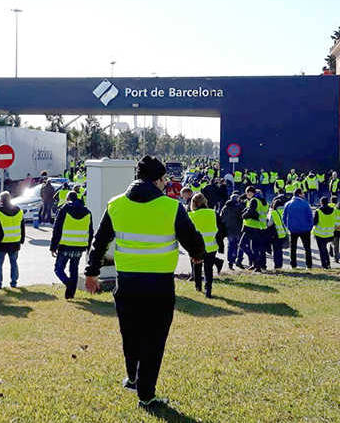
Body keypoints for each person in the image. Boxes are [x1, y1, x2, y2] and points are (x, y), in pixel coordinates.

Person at [84, 156, 206, 410]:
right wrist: (197, 254)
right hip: (159, 285)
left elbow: (99, 241)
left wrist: (91, 272)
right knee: (154, 339)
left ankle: (132, 378)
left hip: (126, 282)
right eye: (164, 180)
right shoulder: (172, 207)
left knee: (130, 334)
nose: (166, 184)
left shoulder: (115, 205)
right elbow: (192, 239)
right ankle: (146, 395)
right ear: (158, 179)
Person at [50, 191, 93, 299]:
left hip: (65, 245)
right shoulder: (87, 212)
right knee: (74, 270)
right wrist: (88, 247)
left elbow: (57, 229)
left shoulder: (64, 209)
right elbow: (90, 231)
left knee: (58, 269)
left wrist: (53, 246)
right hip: (79, 246)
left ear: (68, 199)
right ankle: (70, 294)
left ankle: (68, 283)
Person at [188, 193, 226, 297]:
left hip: (196, 247)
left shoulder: (191, 215)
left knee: (197, 266)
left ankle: (198, 286)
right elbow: (221, 229)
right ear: (205, 201)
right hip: (211, 246)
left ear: (194, 204)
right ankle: (208, 290)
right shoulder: (213, 213)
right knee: (208, 269)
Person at [0, 190, 25, 289]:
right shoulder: (19, 210)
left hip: (1, 243)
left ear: (1, 200)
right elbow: (22, 227)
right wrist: (22, 239)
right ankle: (14, 282)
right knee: (14, 263)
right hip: (15, 242)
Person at [240, 186, 269, 272]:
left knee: (243, 245)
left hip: (251, 226)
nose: (247, 195)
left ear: (251, 193)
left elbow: (251, 212)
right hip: (261, 226)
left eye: (247, 193)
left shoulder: (254, 200)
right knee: (257, 248)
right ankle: (257, 265)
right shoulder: (264, 202)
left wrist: (243, 215)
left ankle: (256, 264)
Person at [283, 188, 313, 269]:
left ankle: (293, 265)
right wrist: (310, 227)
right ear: (299, 194)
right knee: (307, 248)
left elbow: (284, 218)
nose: (304, 195)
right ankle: (309, 265)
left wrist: (288, 227)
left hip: (293, 230)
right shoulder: (306, 204)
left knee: (293, 248)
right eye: (303, 193)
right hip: (305, 229)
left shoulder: (287, 204)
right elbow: (310, 217)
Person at [219, 193, 244, 270]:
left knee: (231, 246)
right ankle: (239, 260)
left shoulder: (225, 207)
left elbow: (221, 218)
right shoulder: (240, 207)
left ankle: (230, 262)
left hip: (229, 230)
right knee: (240, 246)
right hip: (239, 229)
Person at [312, 196, 335, 269]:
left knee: (322, 250)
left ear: (320, 203)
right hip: (330, 233)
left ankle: (324, 265)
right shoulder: (333, 210)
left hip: (320, 234)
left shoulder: (318, 211)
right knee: (324, 249)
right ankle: (328, 263)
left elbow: (314, 222)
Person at [267, 197, 288, 270]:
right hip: (284, 233)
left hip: (275, 234)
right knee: (280, 250)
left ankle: (277, 265)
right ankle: (280, 265)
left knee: (276, 251)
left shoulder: (274, 213)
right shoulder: (286, 211)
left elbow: (269, 224)